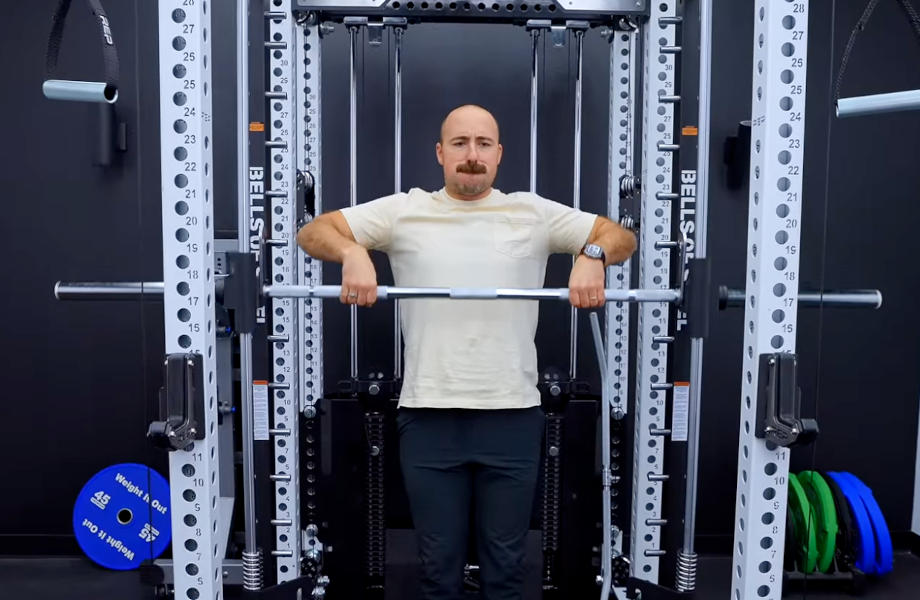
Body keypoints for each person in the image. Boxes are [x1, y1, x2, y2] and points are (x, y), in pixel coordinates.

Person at [296, 104, 637, 600]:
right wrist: (353, 252)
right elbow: (313, 231)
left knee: (505, 570)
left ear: (499, 154)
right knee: (438, 571)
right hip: (429, 416)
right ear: (440, 152)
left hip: (513, 416)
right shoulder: (405, 210)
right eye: (459, 144)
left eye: (482, 144)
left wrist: (592, 255)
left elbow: (619, 235)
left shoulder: (533, 212)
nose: (471, 155)